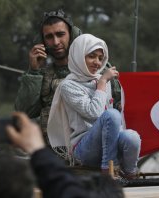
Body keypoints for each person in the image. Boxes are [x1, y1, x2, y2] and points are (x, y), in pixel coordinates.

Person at [14, 9, 122, 145]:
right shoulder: (43, 76)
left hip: (93, 152)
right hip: (55, 151)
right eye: (49, 37)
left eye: (60, 34)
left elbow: (120, 107)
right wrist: (34, 71)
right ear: (42, 41)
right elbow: (24, 112)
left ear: (72, 35)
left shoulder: (100, 71)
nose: (55, 42)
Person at [47, 34, 141, 179]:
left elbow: (110, 121)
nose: (97, 62)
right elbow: (95, 113)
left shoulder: (101, 80)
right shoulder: (68, 85)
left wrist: (102, 82)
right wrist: (102, 82)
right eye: (92, 56)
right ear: (79, 56)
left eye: (100, 58)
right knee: (112, 114)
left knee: (132, 137)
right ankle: (109, 169)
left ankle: (130, 173)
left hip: (107, 143)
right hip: (84, 149)